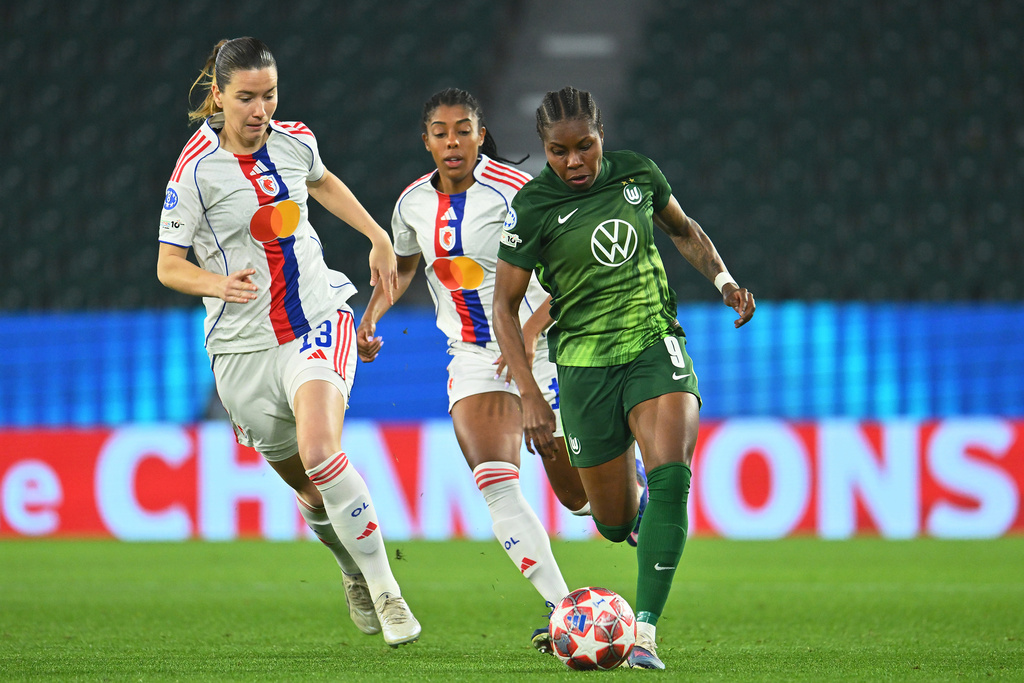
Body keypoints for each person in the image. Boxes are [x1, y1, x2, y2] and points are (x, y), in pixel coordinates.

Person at [156, 37, 420, 648]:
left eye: (269, 95)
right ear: (218, 96)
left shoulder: (296, 140)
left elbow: (322, 183)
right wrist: (217, 282)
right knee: (306, 487)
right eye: (245, 97)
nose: (260, 110)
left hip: (316, 318)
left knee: (322, 451)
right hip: (241, 349)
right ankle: (351, 568)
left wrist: (379, 235)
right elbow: (169, 265)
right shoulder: (194, 172)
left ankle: (389, 594)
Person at [492, 86, 756, 670]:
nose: (574, 161)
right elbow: (503, 307)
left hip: (652, 344)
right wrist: (531, 395)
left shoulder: (639, 174)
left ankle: (645, 634)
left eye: (584, 146)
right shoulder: (533, 208)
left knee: (672, 475)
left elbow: (684, 230)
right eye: (559, 151)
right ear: (545, 149)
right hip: (583, 368)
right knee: (609, 521)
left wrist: (724, 282)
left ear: (601, 136)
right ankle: (629, 509)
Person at [355, 88, 586, 653]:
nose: (452, 141)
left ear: (481, 136)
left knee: (583, 502)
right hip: (474, 357)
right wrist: (372, 314)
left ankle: (629, 504)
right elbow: (405, 266)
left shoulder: (518, 192)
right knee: (496, 484)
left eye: (463, 129)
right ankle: (566, 612)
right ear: (427, 140)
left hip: (547, 348)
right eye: (440, 131)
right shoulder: (411, 203)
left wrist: (526, 338)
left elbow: (569, 272)